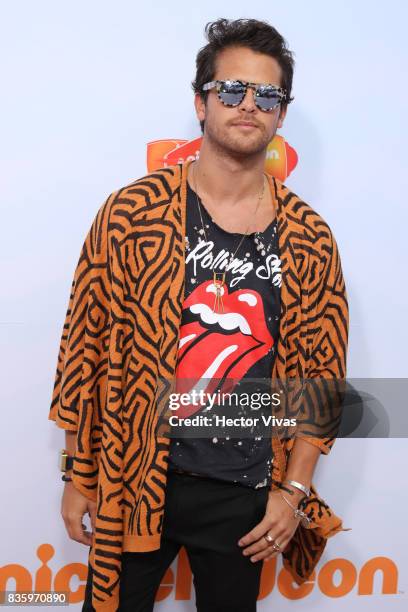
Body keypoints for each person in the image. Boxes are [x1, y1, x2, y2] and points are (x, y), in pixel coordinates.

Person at [49, 18, 349, 612]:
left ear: (280, 115)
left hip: (245, 492)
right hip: (132, 478)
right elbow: (82, 348)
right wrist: (76, 474)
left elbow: (322, 380)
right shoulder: (132, 213)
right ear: (201, 102)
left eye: (267, 95)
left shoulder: (310, 237)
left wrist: (292, 492)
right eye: (231, 89)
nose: (248, 105)